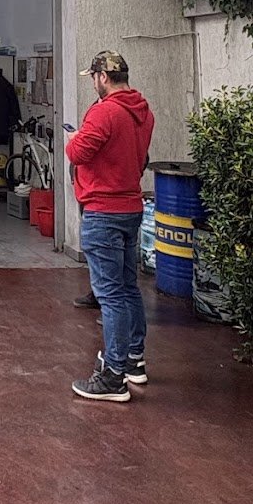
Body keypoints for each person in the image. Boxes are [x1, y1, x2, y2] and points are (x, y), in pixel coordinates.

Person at [65, 50, 154, 403]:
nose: (92, 83)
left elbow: (78, 154)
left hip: (102, 211)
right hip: (131, 208)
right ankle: (134, 360)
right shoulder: (143, 112)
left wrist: (74, 138)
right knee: (128, 288)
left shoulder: (104, 112)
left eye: (93, 77)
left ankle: (113, 377)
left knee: (110, 295)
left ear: (103, 77)